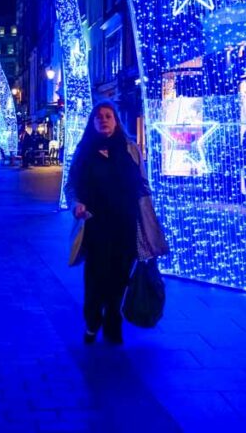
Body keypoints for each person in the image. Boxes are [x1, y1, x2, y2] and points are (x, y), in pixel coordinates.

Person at [65, 101, 162, 345]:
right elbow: (72, 184)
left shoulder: (130, 148)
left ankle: (112, 322)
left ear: (116, 121)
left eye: (108, 116)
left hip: (126, 224)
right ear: (92, 122)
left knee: (119, 278)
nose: (103, 120)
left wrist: (148, 218)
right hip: (95, 225)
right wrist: (76, 203)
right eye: (98, 117)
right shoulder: (85, 150)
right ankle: (92, 321)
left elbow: (142, 181)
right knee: (96, 277)